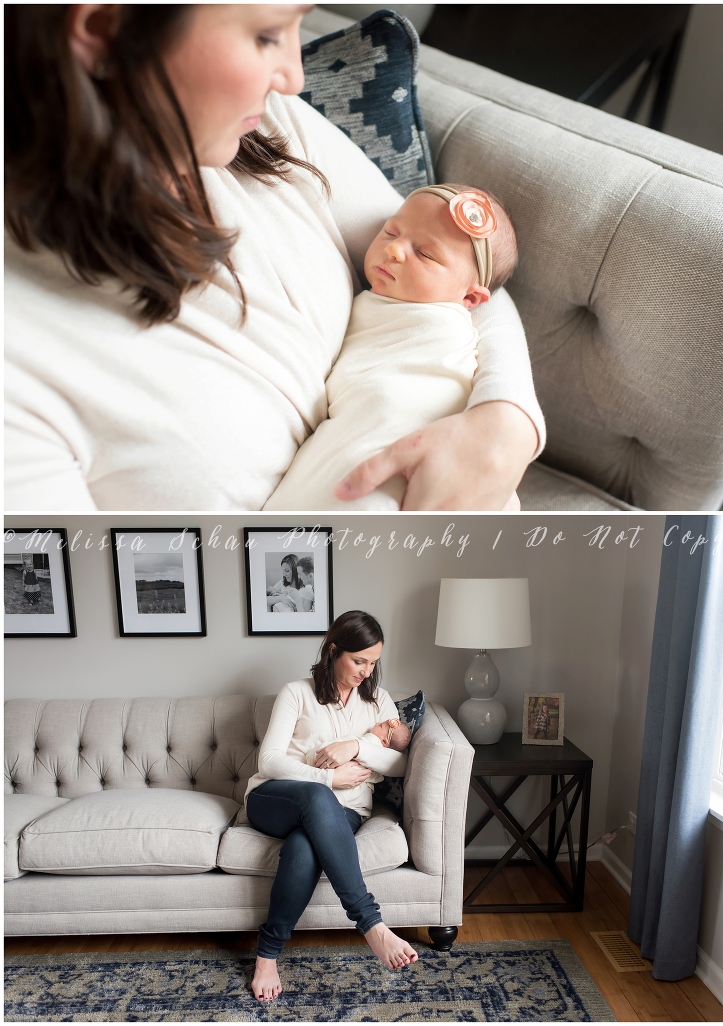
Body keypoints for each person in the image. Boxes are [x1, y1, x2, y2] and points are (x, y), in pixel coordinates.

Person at [5, 5, 544, 512]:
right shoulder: (21, 371)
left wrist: (504, 424)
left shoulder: (268, 126)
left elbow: (468, 284)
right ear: (102, 27)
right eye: (266, 35)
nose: (294, 75)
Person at [264, 184, 522, 511]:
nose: (395, 250)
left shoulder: (449, 326)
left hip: (420, 428)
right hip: (363, 421)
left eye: (426, 254)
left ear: (469, 299)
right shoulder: (365, 302)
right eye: (390, 231)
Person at [244, 610, 418, 1003]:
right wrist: (328, 778)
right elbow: (268, 761)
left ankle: (267, 955)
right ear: (334, 650)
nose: (366, 671)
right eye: (359, 661)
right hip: (276, 799)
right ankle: (372, 924)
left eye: (373, 662)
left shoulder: (378, 702)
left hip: (343, 815)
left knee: (305, 847)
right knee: (318, 796)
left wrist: (356, 746)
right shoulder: (297, 693)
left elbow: (401, 763)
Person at [304, 717, 412, 814]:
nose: (377, 722)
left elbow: (402, 762)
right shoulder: (378, 767)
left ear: (384, 741)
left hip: (324, 794)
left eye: (380, 726)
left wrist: (357, 748)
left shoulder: (368, 741)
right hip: (351, 806)